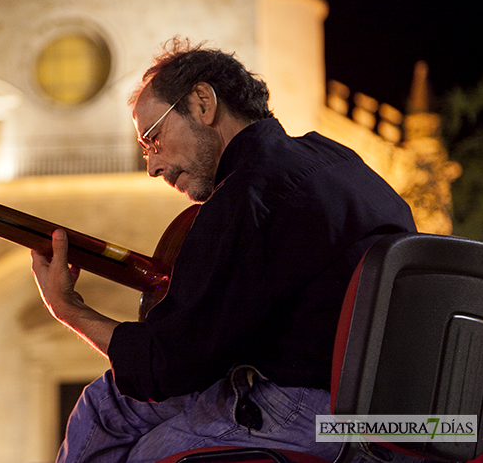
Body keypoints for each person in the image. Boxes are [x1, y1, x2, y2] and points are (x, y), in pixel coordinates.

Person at [30, 38, 419, 463]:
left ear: (202, 103)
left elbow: (165, 365)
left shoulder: (243, 198)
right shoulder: (342, 161)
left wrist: (68, 308)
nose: (152, 167)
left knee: (140, 451)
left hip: (317, 415)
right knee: (108, 401)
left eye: (154, 139)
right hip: (402, 414)